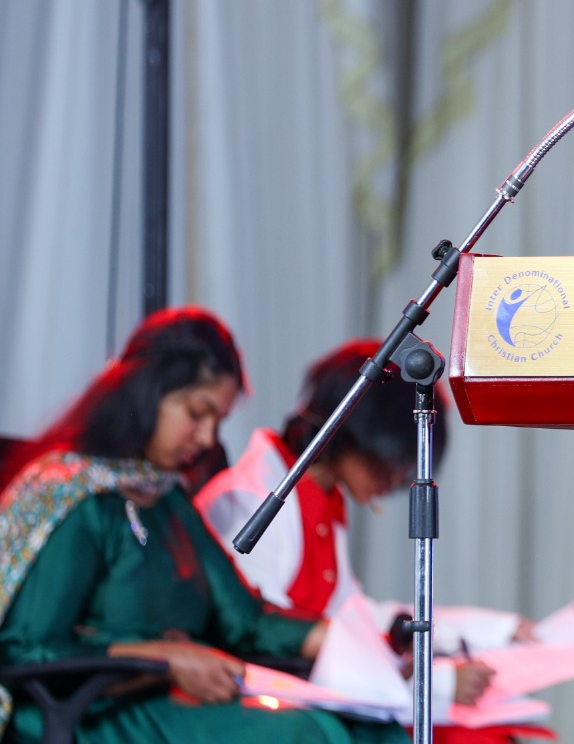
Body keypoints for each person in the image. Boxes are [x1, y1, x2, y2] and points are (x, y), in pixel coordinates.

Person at [0, 307, 406, 744]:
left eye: (218, 421)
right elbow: (25, 649)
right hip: (93, 714)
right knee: (304, 733)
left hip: (161, 704)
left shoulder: (166, 498)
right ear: (147, 392)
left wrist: (328, 637)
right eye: (197, 413)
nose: (209, 438)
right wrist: (162, 658)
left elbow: (244, 621)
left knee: (374, 729)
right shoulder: (76, 496)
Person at [196, 339, 537, 736]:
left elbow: (352, 614)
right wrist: (436, 683)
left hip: (321, 695)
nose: (396, 481)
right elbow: (267, 639)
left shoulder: (322, 496)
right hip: (278, 707)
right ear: (357, 433)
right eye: (393, 465)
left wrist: (495, 630)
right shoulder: (249, 499)